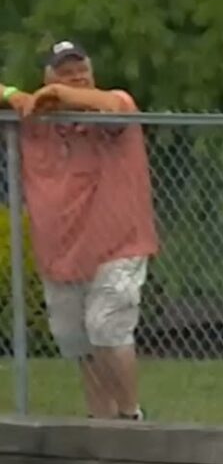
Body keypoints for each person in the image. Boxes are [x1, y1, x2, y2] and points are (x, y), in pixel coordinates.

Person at [0, 40, 157, 421]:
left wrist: (60, 94)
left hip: (119, 245)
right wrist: (13, 95)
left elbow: (114, 106)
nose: (76, 77)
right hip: (61, 253)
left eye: (81, 70)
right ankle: (100, 425)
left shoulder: (113, 104)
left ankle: (130, 416)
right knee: (78, 342)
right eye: (65, 73)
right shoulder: (34, 117)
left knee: (106, 326)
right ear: (46, 77)